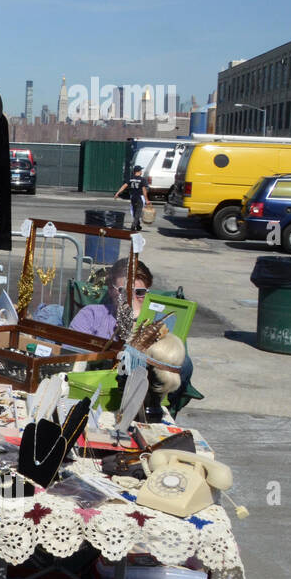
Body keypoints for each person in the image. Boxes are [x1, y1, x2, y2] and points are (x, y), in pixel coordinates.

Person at [69, 257, 195, 410]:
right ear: (110, 290)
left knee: (184, 361)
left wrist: (136, 322)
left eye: (140, 293)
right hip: (96, 393)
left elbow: (176, 368)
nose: (131, 298)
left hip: (146, 401)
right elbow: (70, 354)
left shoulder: (159, 324)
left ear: (148, 293)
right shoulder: (91, 315)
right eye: (123, 291)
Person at [116, 165, 150, 232]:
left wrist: (118, 193)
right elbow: (144, 190)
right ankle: (133, 225)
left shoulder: (130, 179)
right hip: (139, 197)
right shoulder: (142, 179)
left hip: (133, 197)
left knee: (135, 212)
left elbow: (124, 186)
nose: (141, 171)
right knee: (138, 213)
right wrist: (147, 200)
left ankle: (138, 226)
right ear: (139, 171)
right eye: (141, 170)